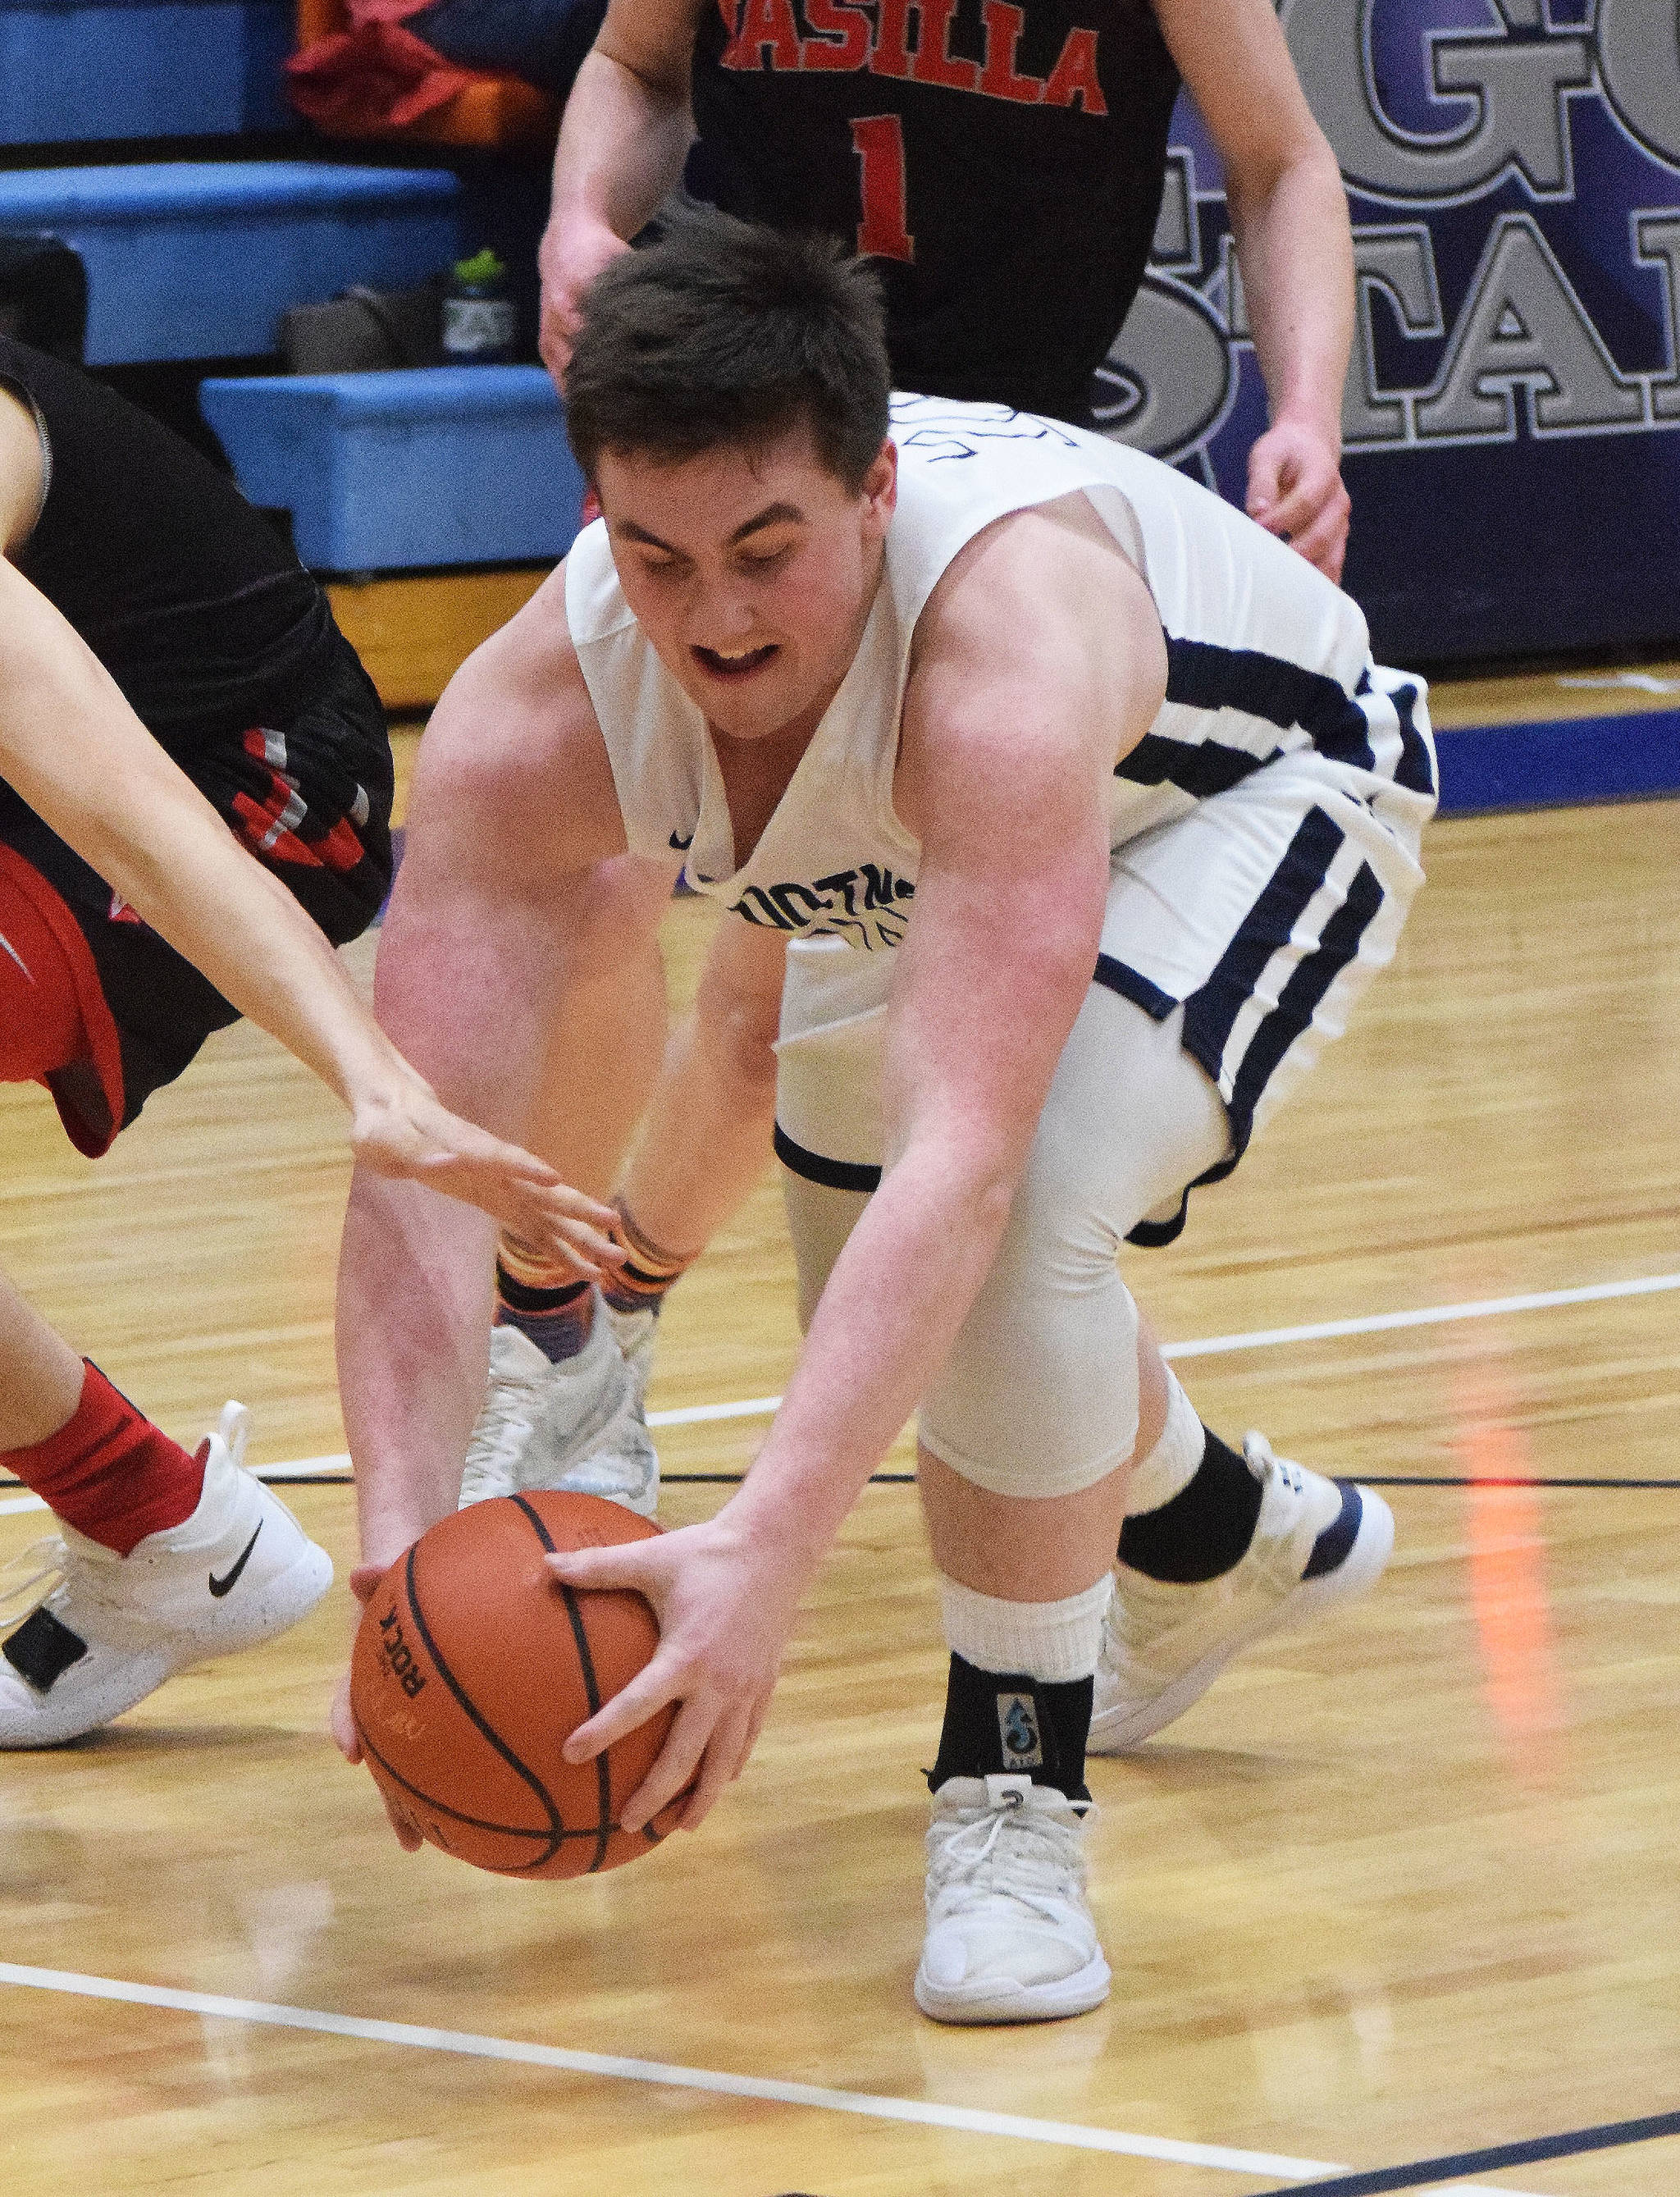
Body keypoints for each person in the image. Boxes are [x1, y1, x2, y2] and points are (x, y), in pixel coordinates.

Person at [335, 215, 1436, 2021]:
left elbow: (963, 1165)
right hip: (928, 863)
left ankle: (1012, 1789)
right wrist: (393, 1556)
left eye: (767, 551)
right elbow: (420, 1160)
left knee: (1014, 1224)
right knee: (927, 1325)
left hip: (1258, 791)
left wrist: (769, 1549)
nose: (716, 616)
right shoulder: (538, 711)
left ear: (872, 493)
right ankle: (1204, 1527)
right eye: (658, 557)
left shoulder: (991, 654)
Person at [454, 0, 1372, 1756]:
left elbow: (1283, 158)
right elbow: (636, 71)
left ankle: (596, 1339)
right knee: (638, 930)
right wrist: (581, 219)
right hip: (743, 454)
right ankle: (578, 1322)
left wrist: (1306, 410)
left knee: (843, 1078)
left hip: (966, 503)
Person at [0, 336, 619, 1748]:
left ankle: (155, 1520)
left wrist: (372, 1077)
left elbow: (119, 802)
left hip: (252, 771)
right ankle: (158, 1526)